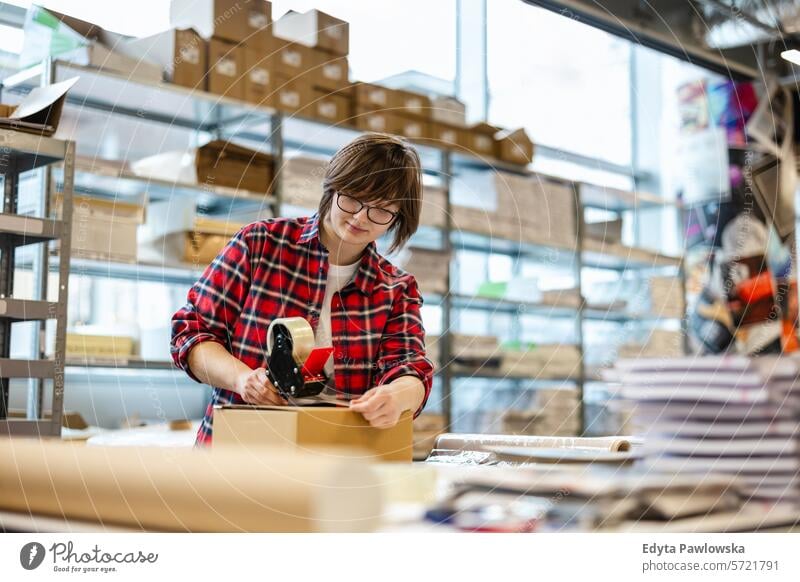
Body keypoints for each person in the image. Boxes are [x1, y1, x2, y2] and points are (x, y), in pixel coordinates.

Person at [170, 133, 435, 446]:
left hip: (335, 463)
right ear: (333, 186)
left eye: (381, 210)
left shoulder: (395, 289)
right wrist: (242, 378)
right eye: (352, 198)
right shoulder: (260, 245)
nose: (360, 217)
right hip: (238, 455)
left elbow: (411, 369)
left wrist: (396, 395)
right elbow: (191, 333)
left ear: (397, 219)